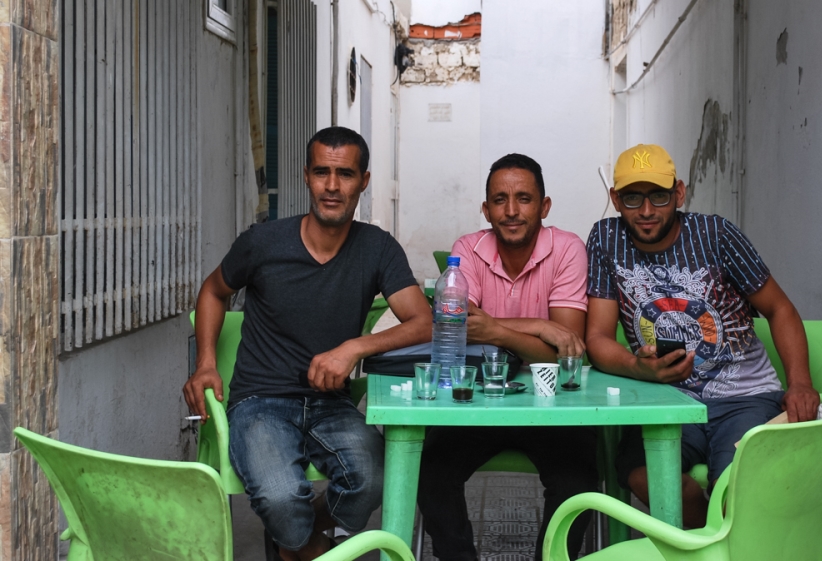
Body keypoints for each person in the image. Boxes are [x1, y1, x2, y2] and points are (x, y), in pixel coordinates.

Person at [183, 127, 432, 561]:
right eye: (321, 172)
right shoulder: (263, 242)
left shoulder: (377, 248)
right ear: (306, 176)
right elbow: (213, 291)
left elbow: (423, 322)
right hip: (260, 402)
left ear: (363, 181)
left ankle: (294, 540)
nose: (332, 186)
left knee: (373, 478)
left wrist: (354, 347)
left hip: (330, 402)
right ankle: (309, 547)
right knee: (280, 496)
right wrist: (206, 362)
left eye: (345, 174)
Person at [585, 143, 819, 528]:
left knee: (736, 492)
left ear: (679, 193)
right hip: (668, 400)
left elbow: (780, 309)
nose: (646, 211)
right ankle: (705, 542)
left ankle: (722, 531)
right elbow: (596, 338)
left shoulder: (715, 235)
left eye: (659, 196)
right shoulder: (606, 239)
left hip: (744, 396)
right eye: (632, 198)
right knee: (643, 476)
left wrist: (800, 383)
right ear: (615, 199)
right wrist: (639, 368)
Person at [417, 154, 597, 561]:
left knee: (578, 482)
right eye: (500, 200)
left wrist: (497, 331)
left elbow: (565, 353)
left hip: (552, 405)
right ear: (486, 209)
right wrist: (538, 326)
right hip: (481, 400)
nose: (511, 211)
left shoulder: (567, 248)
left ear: (544, 206)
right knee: (429, 473)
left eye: (524, 199)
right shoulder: (467, 250)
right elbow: (463, 326)